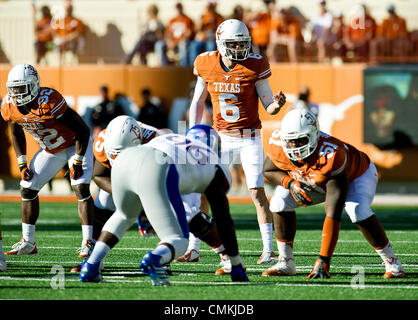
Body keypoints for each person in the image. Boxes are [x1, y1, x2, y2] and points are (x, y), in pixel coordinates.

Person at [80, 129, 249, 285]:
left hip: (126, 158)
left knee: (123, 216)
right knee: (179, 240)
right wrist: (236, 264)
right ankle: (154, 259)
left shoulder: (174, 138)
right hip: (158, 164)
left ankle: (91, 265)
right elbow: (224, 220)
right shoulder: (218, 168)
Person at [261, 108, 405, 279]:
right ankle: (286, 262)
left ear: (314, 135)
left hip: (356, 176)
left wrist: (324, 259)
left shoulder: (331, 154)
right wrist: (291, 183)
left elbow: (333, 212)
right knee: (278, 201)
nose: (294, 147)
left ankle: (393, 262)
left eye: (300, 140)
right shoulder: (277, 143)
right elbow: (268, 170)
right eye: (290, 141)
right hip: (312, 178)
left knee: (357, 210)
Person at [189, 19, 287, 264]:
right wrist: (192, 133)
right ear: (221, 43)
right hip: (220, 136)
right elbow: (198, 102)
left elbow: (269, 106)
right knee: (203, 192)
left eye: (243, 43)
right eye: (233, 44)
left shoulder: (255, 64)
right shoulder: (206, 62)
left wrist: (277, 105)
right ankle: (194, 249)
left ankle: (268, 249)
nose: (239, 48)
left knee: (256, 192)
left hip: (249, 136)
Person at [1, 64, 95, 258]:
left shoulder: (49, 101)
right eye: (14, 88)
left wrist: (77, 161)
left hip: (74, 144)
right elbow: (16, 130)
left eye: (21, 88)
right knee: (27, 187)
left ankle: (89, 242)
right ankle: (28, 242)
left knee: (80, 186)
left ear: (34, 85)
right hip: (51, 150)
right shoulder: (9, 106)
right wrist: (22, 163)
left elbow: (83, 131)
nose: (17, 93)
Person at [154, 2, 195, 66]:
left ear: (182, 8)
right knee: (159, 44)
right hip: (172, 42)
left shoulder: (188, 20)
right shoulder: (172, 20)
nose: (179, 10)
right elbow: (167, 33)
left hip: (181, 42)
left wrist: (176, 42)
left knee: (183, 44)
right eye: (177, 8)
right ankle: (164, 67)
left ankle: (183, 67)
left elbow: (188, 34)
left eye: (180, 8)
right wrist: (169, 41)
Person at [188, 0, 224, 66]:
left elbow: (220, 31)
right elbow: (198, 30)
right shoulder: (203, 16)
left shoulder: (219, 17)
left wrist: (211, 36)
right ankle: (193, 67)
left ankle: (210, 67)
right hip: (203, 38)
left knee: (211, 45)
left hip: (212, 38)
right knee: (194, 45)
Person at [51, 0, 85, 65]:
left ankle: (71, 64)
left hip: (72, 42)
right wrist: (61, 39)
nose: (68, 10)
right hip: (61, 42)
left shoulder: (77, 21)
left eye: (70, 8)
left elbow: (78, 33)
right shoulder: (59, 21)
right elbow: (54, 33)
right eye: (67, 8)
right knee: (59, 43)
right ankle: (61, 64)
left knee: (69, 42)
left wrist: (66, 38)